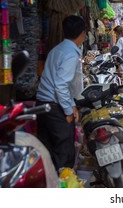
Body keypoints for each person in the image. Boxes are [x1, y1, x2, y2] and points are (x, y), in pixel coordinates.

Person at [36, 15, 86, 170]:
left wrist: (71, 105)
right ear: (82, 33)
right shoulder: (71, 54)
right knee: (64, 155)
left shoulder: (57, 49)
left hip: (43, 105)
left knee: (48, 151)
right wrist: (68, 110)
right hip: (54, 107)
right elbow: (61, 84)